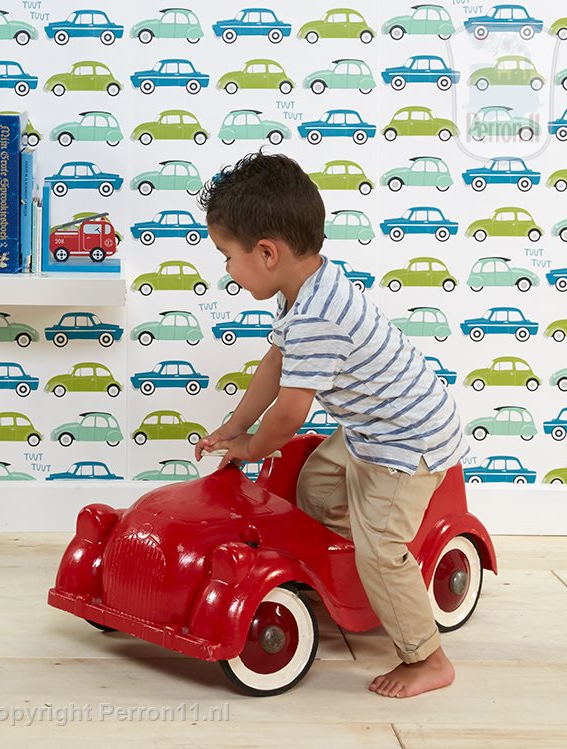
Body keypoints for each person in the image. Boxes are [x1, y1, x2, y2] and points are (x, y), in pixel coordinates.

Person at [194, 150, 468, 698]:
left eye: (227, 255)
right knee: (316, 486)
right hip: (373, 426)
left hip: (406, 441)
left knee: (382, 549)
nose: (225, 268)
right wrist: (233, 427)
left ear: (267, 253)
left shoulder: (319, 314)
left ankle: (426, 657)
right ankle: (351, 577)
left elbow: (291, 413)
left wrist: (250, 448)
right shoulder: (306, 289)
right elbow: (273, 367)